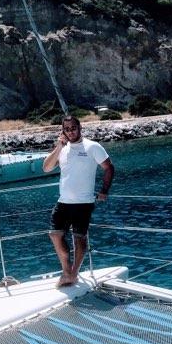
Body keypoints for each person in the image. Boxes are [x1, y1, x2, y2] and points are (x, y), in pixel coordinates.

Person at [43, 116, 114, 287]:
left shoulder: (92, 146)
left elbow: (109, 168)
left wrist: (104, 190)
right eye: (67, 129)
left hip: (84, 203)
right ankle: (67, 271)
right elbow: (46, 168)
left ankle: (73, 274)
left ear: (80, 127)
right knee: (54, 234)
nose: (70, 131)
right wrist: (59, 146)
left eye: (73, 128)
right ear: (63, 131)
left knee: (79, 238)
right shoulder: (62, 149)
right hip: (63, 202)